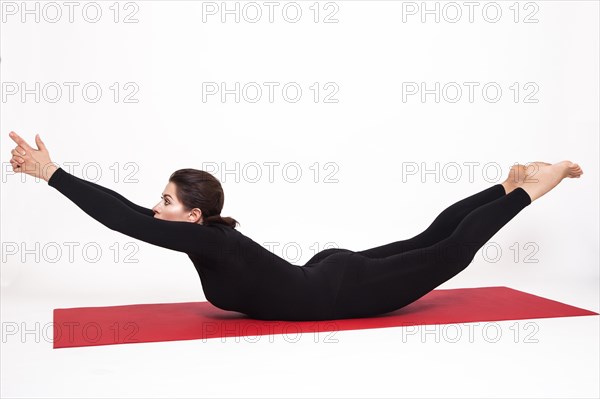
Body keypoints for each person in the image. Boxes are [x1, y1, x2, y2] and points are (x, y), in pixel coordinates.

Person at [8, 131, 584, 321]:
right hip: (328, 274)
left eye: (165, 200)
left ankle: (540, 181)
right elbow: (128, 214)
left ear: (193, 213)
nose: (153, 207)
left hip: (340, 287)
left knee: (451, 251)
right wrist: (53, 174)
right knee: (426, 242)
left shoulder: (199, 237)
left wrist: (53, 174)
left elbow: (120, 220)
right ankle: (505, 187)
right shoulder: (203, 235)